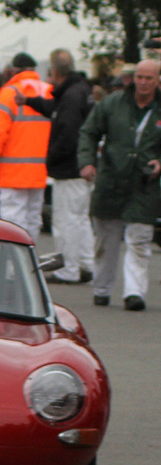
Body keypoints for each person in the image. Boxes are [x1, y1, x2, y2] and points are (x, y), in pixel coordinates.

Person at [78, 58, 161, 309]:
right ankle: (102, 288)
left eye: (149, 78)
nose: (143, 83)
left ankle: (134, 294)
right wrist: (87, 162)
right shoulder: (113, 103)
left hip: (144, 185)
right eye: (139, 77)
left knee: (139, 239)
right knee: (106, 239)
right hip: (111, 180)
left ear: (158, 81)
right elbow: (89, 132)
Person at [0, 52, 52, 245]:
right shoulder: (48, 91)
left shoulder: (9, 93)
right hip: (40, 171)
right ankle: (30, 260)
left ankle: (11, 264)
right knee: (33, 217)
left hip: (13, 171)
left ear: (13, 70)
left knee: (12, 219)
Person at [44, 49, 95, 284]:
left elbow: (67, 133)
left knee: (66, 220)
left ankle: (70, 268)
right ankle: (86, 263)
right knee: (80, 218)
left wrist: (51, 157)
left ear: (54, 71)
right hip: (81, 166)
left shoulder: (70, 97)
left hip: (68, 167)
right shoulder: (81, 91)